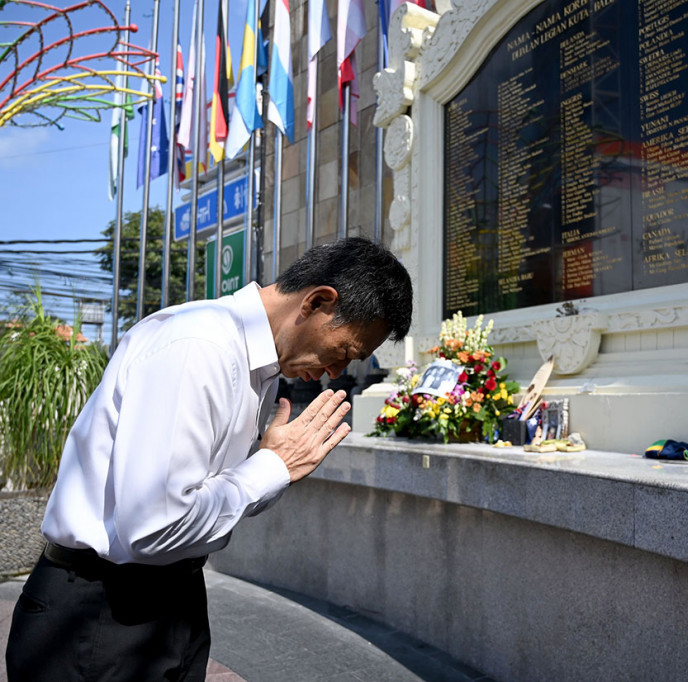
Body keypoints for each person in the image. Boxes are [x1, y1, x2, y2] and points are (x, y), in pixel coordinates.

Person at [5, 238, 413, 681]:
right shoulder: (198, 346)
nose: (336, 372)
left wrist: (273, 468)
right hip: (100, 613)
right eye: (344, 352)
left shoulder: (259, 366)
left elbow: (209, 496)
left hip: (168, 599)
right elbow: (153, 527)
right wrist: (270, 468)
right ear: (317, 302)